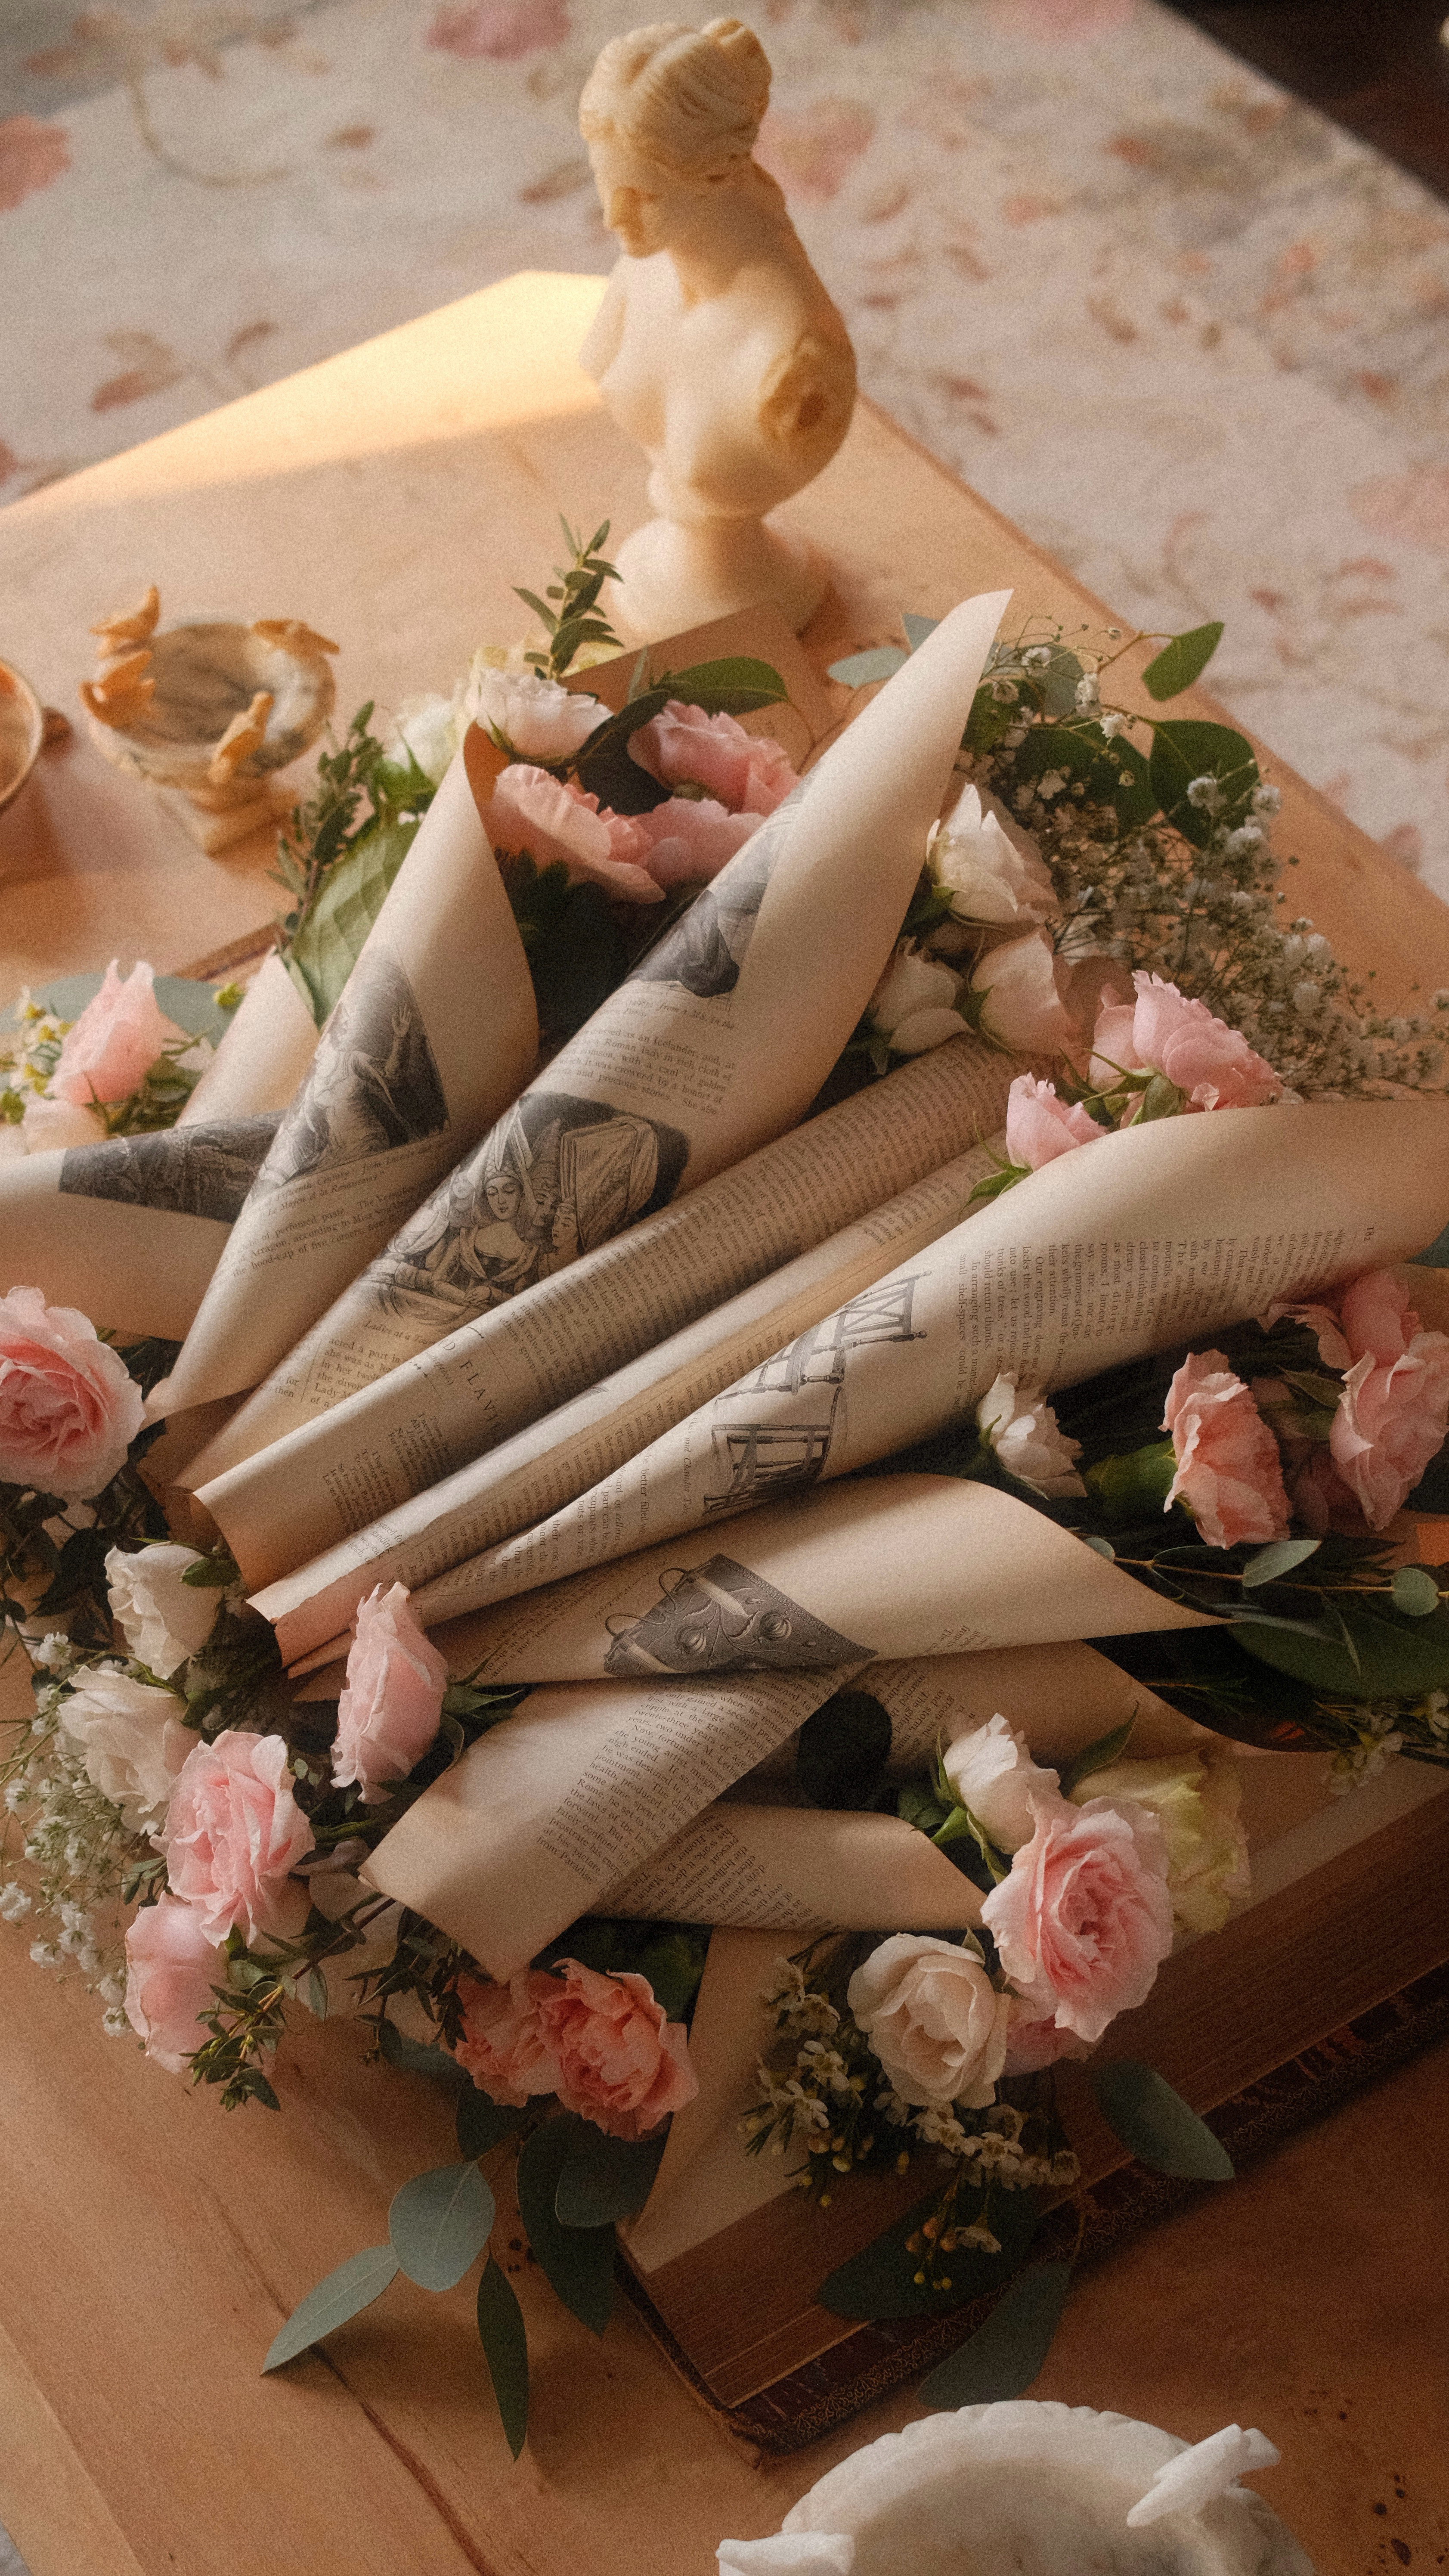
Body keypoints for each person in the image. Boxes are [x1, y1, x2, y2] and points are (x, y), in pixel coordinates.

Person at [577, 16, 855, 629]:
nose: (611, 218)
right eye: (605, 184)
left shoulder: (793, 356)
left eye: (641, 195)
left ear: (716, 173)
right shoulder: (641, 269)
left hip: (747, 603)